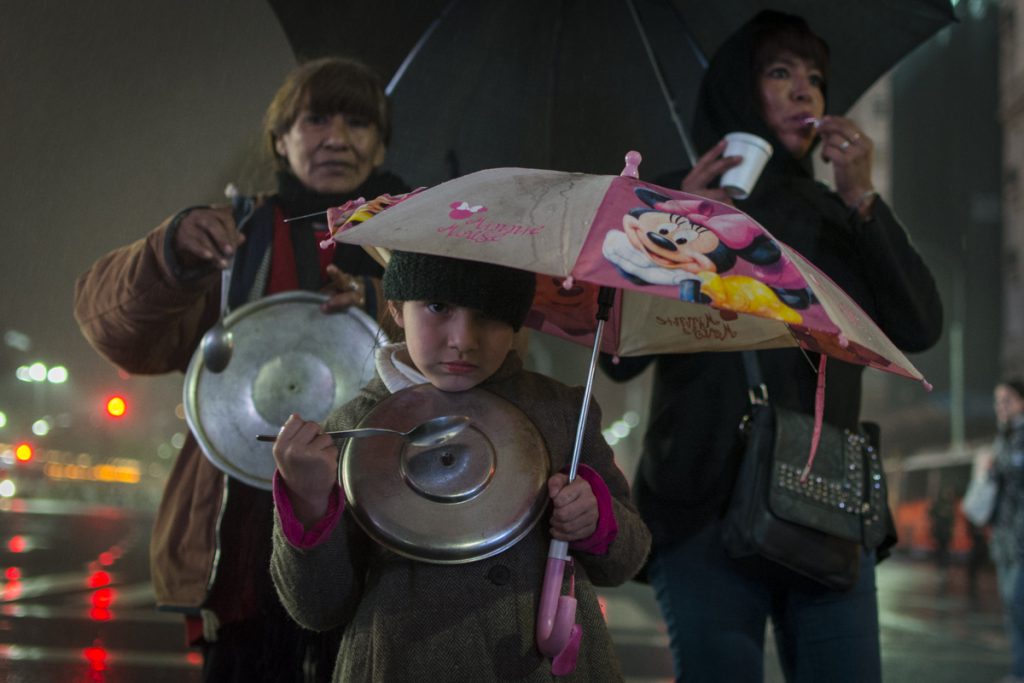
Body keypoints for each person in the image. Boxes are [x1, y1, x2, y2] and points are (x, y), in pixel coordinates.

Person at [600, 11, 943, 682]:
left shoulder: (834, 213)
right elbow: (619, 357)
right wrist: (673, 220)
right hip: (698, 508)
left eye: (815, 79)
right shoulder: (678, 199)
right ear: (737, 88)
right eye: (780, 73)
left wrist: (864, 198)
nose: (804, 92)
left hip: (822, 500)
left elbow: (920, 324)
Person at [73, 57, 410, 682]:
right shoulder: (237, 235)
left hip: (387, 532)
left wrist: (386, 304)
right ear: (280, 139)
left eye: (358, 121)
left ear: (381, 141)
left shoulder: (422, 239)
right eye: (315, 119)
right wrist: (170, 252)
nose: (337, 136)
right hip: (250, 538)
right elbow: (116, 329)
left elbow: (489, 354)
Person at [269, 251, 652, 681]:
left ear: (516, 322)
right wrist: (308, 501)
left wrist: (596, 518)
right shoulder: (352, 428)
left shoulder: (563, 413)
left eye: (488, 313)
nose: (463, 339)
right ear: (396, 306)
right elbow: (318, 607)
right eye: (438, 307)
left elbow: (627, 559)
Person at [990, 378, 1024, 682]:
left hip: (1022, 539)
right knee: (1011, 609)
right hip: (1004, 538)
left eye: (1008, 400)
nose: (1001, 406)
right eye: (998, 401)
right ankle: (1018, 670)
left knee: (1018, 603)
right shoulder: (1003, 437)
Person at [929, 485, 956, 590]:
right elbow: (931, 513)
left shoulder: (949, 505)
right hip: (939, 532)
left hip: (945, 533)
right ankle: (941, 569)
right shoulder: (939, 504)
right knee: (940, 551)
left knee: (944, 551)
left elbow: (952, 520)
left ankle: (943, 569)